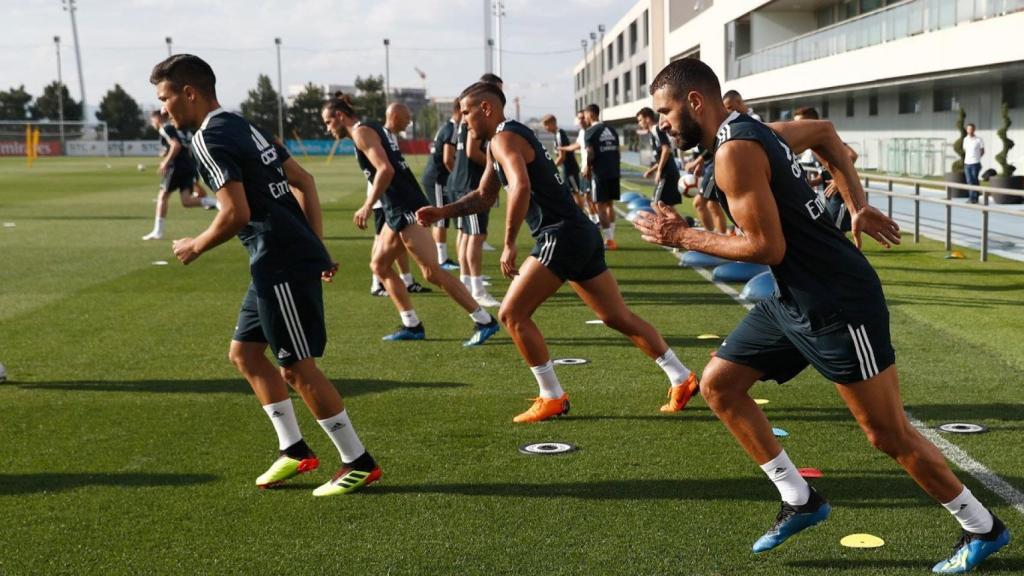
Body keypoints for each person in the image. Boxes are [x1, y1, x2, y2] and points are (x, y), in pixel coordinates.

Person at [635, 58, 1008, 573]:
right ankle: (800, 499)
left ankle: (982, 528)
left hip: (837, 303)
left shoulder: (735, 150)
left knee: (888, 434)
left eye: (666, 111)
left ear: (694, 101)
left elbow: (765, 246)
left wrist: (681, 236)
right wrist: (855, 204)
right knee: (720, 384)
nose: (663, 123)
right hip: (792, 300)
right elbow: (827, 135)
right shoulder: (756, 130)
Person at [151, 54, 380, 496]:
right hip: (276, 260)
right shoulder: (242, 124)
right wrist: (318, 246)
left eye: (165, 98)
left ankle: (358, 461)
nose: (165, 110)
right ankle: (293, 450)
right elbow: (305, 181)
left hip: (280, 261)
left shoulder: (207, 140)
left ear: (189, 93)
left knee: (296, 368)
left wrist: (195, 245)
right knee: (246, 355)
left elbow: (236, 213)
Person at [416, 81, 699, 423]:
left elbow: (520, 186)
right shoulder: (499, 142)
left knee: (511, 315)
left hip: (560, 234)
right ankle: (681, 377)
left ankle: (551, 396)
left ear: (486, 109)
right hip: (578, 233)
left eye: (466, 112)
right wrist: (442, 212)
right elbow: (484, 196)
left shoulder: (504, 138)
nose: (463, 121)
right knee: (616, 316)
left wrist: (508, 244)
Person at [320, 92, 500, 345]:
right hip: (397, 207)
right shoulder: (370, 129)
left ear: (340, 116)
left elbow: (386, 169)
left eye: (328, 122)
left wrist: (367, 205)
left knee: (431, 272)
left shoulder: (361, 133)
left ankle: (484, 320)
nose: (328, 129)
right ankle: (411, 324)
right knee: (379, 266)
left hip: (404, 206)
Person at [368, 102, 431, 296]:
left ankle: (407, 280)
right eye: (406, 118)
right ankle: (377, 283)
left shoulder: (391, 137)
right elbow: (380, 170)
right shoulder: (379, 135)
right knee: (380, 238)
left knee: (399, 239)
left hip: (395, 198)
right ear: (394, 116)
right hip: (384, 198)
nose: (409, 122)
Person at [142, 110, 218, 240]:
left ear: (158, 119)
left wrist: (166, 162)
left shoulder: (165, 128)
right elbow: (184, 146)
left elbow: (176, 145)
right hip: (188, 166)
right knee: (186, 201)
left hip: (176, 167)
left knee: (162, 197)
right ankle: (216, 202)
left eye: (152, 120)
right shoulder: (181, 129)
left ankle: (158, 232)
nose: (152, 123)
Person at [793, 106, 857, 232]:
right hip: (829, 195)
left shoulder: (826, 140)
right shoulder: (812, 142)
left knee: (835, 233)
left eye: (801, 123)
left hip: (841, 196)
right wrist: (811, 183)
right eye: (795, 123)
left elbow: (852, 155)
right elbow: (826, 170)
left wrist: (838, 181)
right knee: (829, 232)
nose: (797, 126)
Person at [419, 98, 462, 271]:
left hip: (439, 178)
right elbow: (447, 159)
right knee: (441, 218)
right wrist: (457, 178)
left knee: (442, 218)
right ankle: (441, 260)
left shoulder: (448, 127)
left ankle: (442, 258)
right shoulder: (452, 129)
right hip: (437, 178)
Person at [582, 104, 621, 250]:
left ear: (590, 114)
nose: (585, 117)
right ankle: (612, 238)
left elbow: (590, 152)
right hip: (614, 171)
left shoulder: (590, 131)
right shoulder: (612, 130)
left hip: (601, 173)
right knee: (610, 204)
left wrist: (588, 166)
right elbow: (617, 151)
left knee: (601, 206)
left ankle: (609, 240)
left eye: (585, 114)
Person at [542, 114, 593, 218]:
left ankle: (581, 216)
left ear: (552, 123)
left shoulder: (560, 134)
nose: (545, 129)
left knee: (576, 193)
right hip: (566, 169)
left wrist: (550, 167)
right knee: (571, 193)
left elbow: (562, 157)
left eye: (546, 126)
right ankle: (579, 214)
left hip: (570, 169)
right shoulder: (557, 135)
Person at [636, 107, 682, 207]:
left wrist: (659, 171)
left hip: (667, 175)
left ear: (647, 119)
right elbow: (662, 157)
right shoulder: (653, 133)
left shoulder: (656, 129)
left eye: (640, 120)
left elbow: (666, 150)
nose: (639, 123)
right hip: (670, 173)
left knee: (656, 205)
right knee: (667, 207)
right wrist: (652, 170)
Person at [963, 123, 985, 204]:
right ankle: (972, 197)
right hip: (967, 163)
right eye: (968, 129)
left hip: (975, 163)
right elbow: (965, 150)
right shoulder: (965, 139)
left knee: (974, 180)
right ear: (967, 130)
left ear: (974, 130)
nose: (970, 131)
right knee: (969, 181)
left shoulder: (978, 139)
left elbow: (982, 151)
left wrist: (977, 158)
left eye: (971, 129)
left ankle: (974, 197)